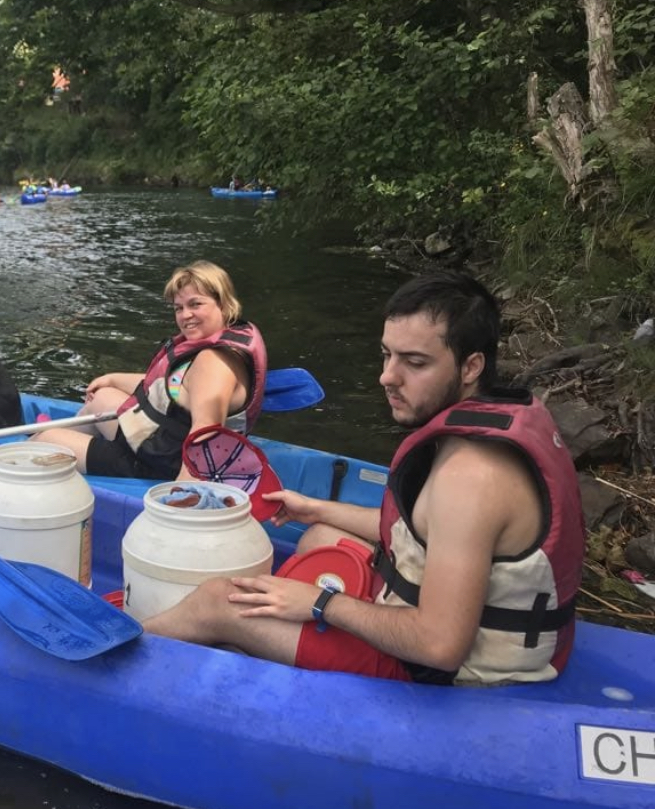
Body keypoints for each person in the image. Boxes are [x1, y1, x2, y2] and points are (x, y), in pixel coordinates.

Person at [145, 271, 585, 687]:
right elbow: (425, 530)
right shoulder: (495, 418)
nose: (387, 377)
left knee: (218, 600)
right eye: (387, 355)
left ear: (471, 367)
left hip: (450, 673)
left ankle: (125, 653)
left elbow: (440, 646)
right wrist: (314, 507)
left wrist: (321, 604)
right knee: (320, 536)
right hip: (453, 626)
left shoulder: (471, 476)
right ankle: (254, 643)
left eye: (415, 363)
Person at [31, 260, 266, 480]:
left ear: (223, 304)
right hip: (159, 444)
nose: (186, 315)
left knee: (41, 442)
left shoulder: (214, 362)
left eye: (196, 304)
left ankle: (51, 444)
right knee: (103, 396)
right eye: (179, 308)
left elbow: (206, 431)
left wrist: (183, 491)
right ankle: (75, 444)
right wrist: (112, 378)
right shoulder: (218, 344)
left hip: (161, 465)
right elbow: (173, 386)